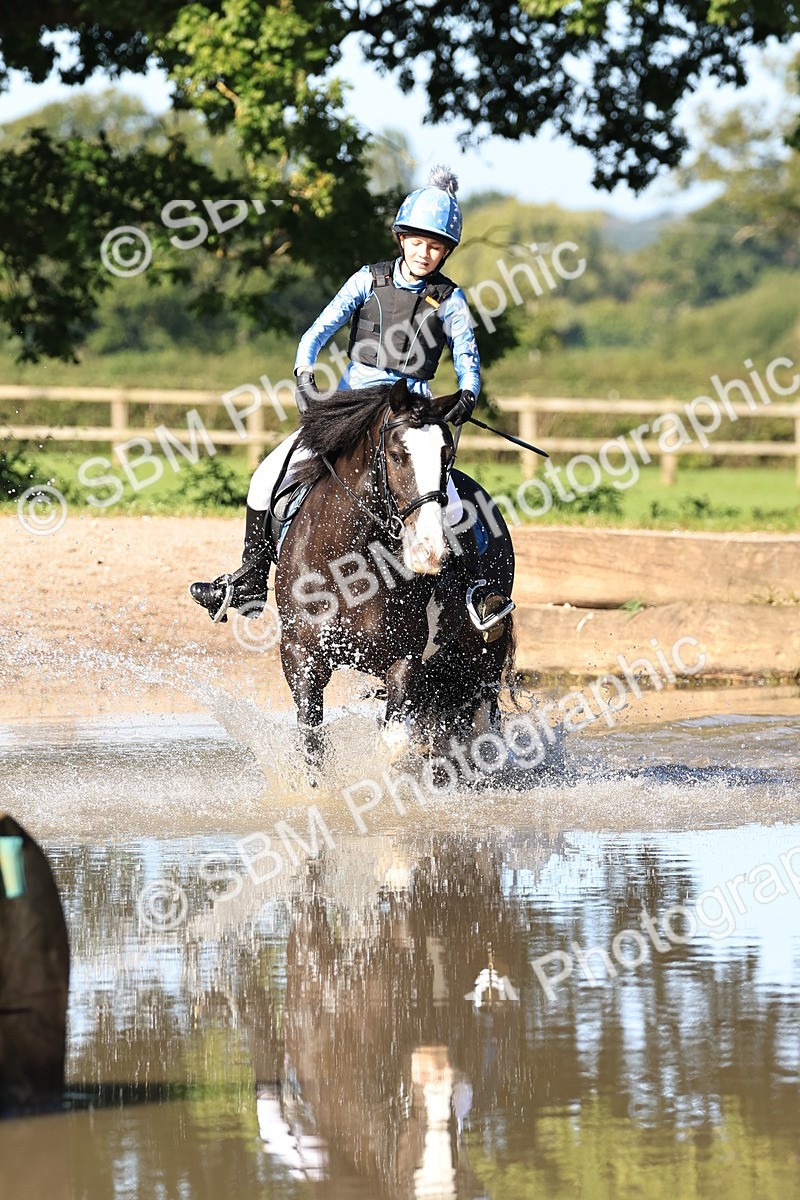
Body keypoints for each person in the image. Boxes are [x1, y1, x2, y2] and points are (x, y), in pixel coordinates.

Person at [190, 165, 512, 632]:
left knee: (455, 503)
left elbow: (468, 359)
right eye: (417, 242)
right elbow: (317, 332)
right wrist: (304, 374)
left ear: (446, 251)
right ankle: (249, 579)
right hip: (352, 407)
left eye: (436, 246)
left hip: (410, 413)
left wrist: (467, 394)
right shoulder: (367, 280)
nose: (425, 253)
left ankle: (474, 590)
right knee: (264, 478)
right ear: (401, 238)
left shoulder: (450, 299)